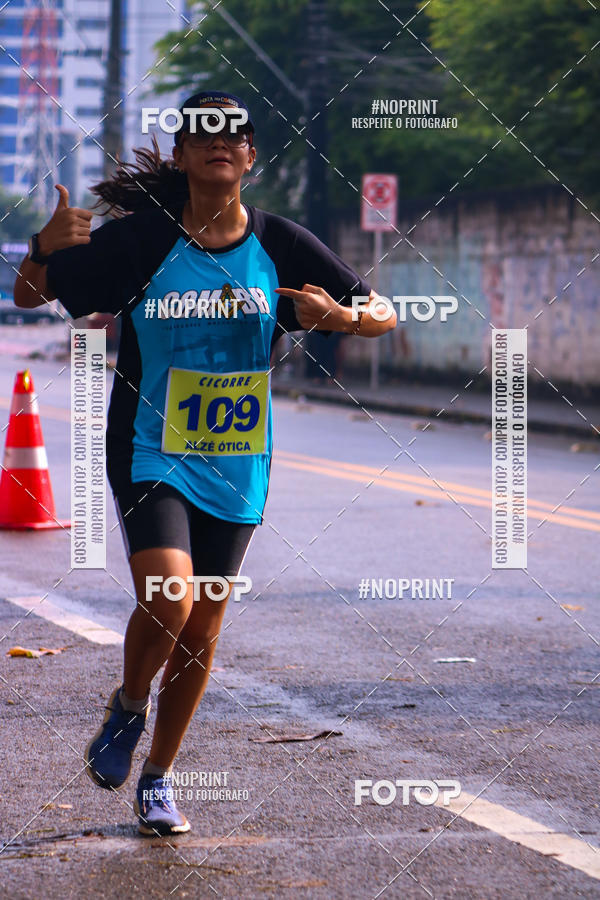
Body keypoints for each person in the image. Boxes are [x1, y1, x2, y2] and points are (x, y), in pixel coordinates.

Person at [14, 90, 397, 836]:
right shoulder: (139, 243)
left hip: (237, 462)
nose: (220, 142)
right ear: (186, 154)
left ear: (250, 156)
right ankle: (128, 703)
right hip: (151, 450)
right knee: (170, 598)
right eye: (203, 132)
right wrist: (40, 247)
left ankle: (157, 777)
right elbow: (34, 296)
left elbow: (383, 311)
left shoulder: (282, 244)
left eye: (236, 133)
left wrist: (344, 317)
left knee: (203, 629)